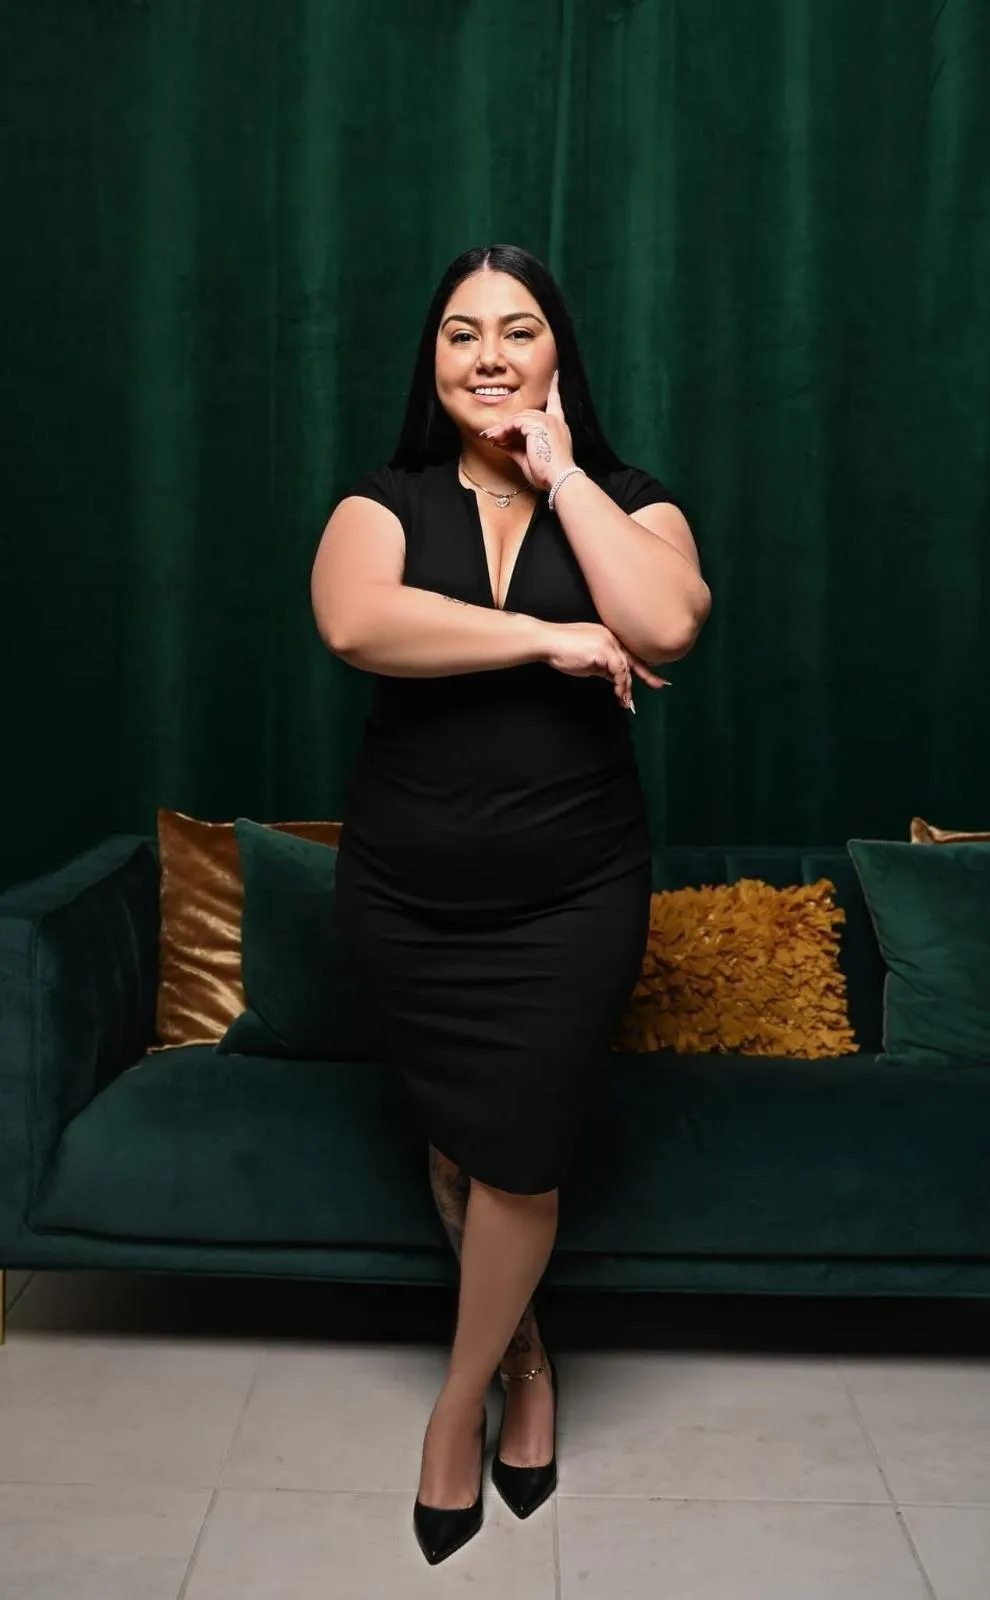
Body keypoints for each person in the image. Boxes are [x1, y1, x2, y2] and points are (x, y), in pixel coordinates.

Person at [310, 243, 710, 1564]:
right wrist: (548, 636)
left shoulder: (632, 501)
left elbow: (664, 626)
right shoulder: (384, 500)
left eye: (517, 330)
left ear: (557, 355)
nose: (488, 355)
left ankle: (457, 1405)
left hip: (572, 896)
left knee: (522, 1152)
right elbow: (358, 624)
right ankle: (526, 1364)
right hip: (403, 893)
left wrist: (564, 477)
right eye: (461, 333)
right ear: (431, 361)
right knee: (461, 1146)